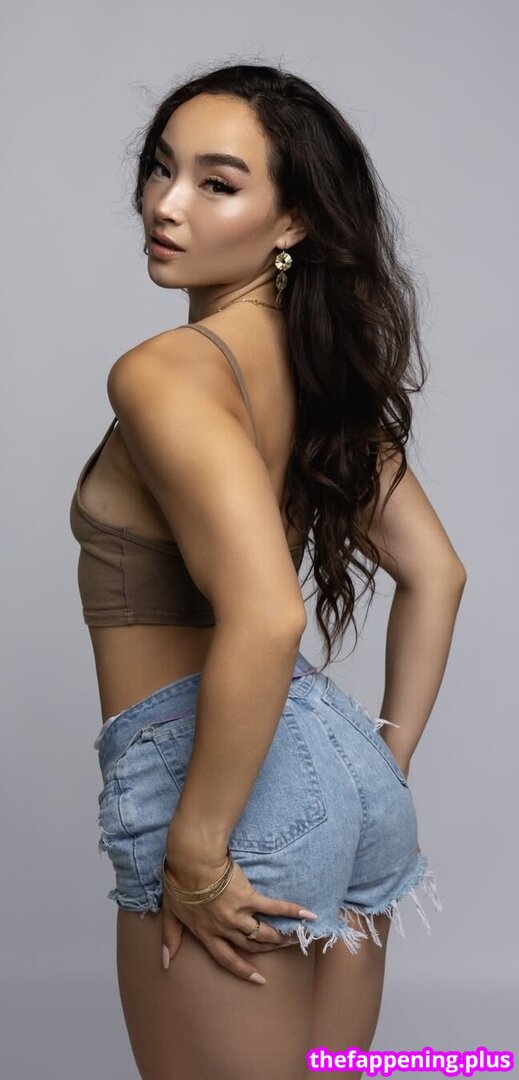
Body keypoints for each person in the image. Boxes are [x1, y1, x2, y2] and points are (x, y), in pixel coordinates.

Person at [69, 62, 467, 1080]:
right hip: (335, 769)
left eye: (217, 182)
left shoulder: (164, 372)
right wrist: (383, 763)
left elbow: (268, 613)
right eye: (161, 169)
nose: (166, 204)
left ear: (292, 222)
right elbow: (438, 573)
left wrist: (198, 847)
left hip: (219, 785)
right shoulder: (321, 374)